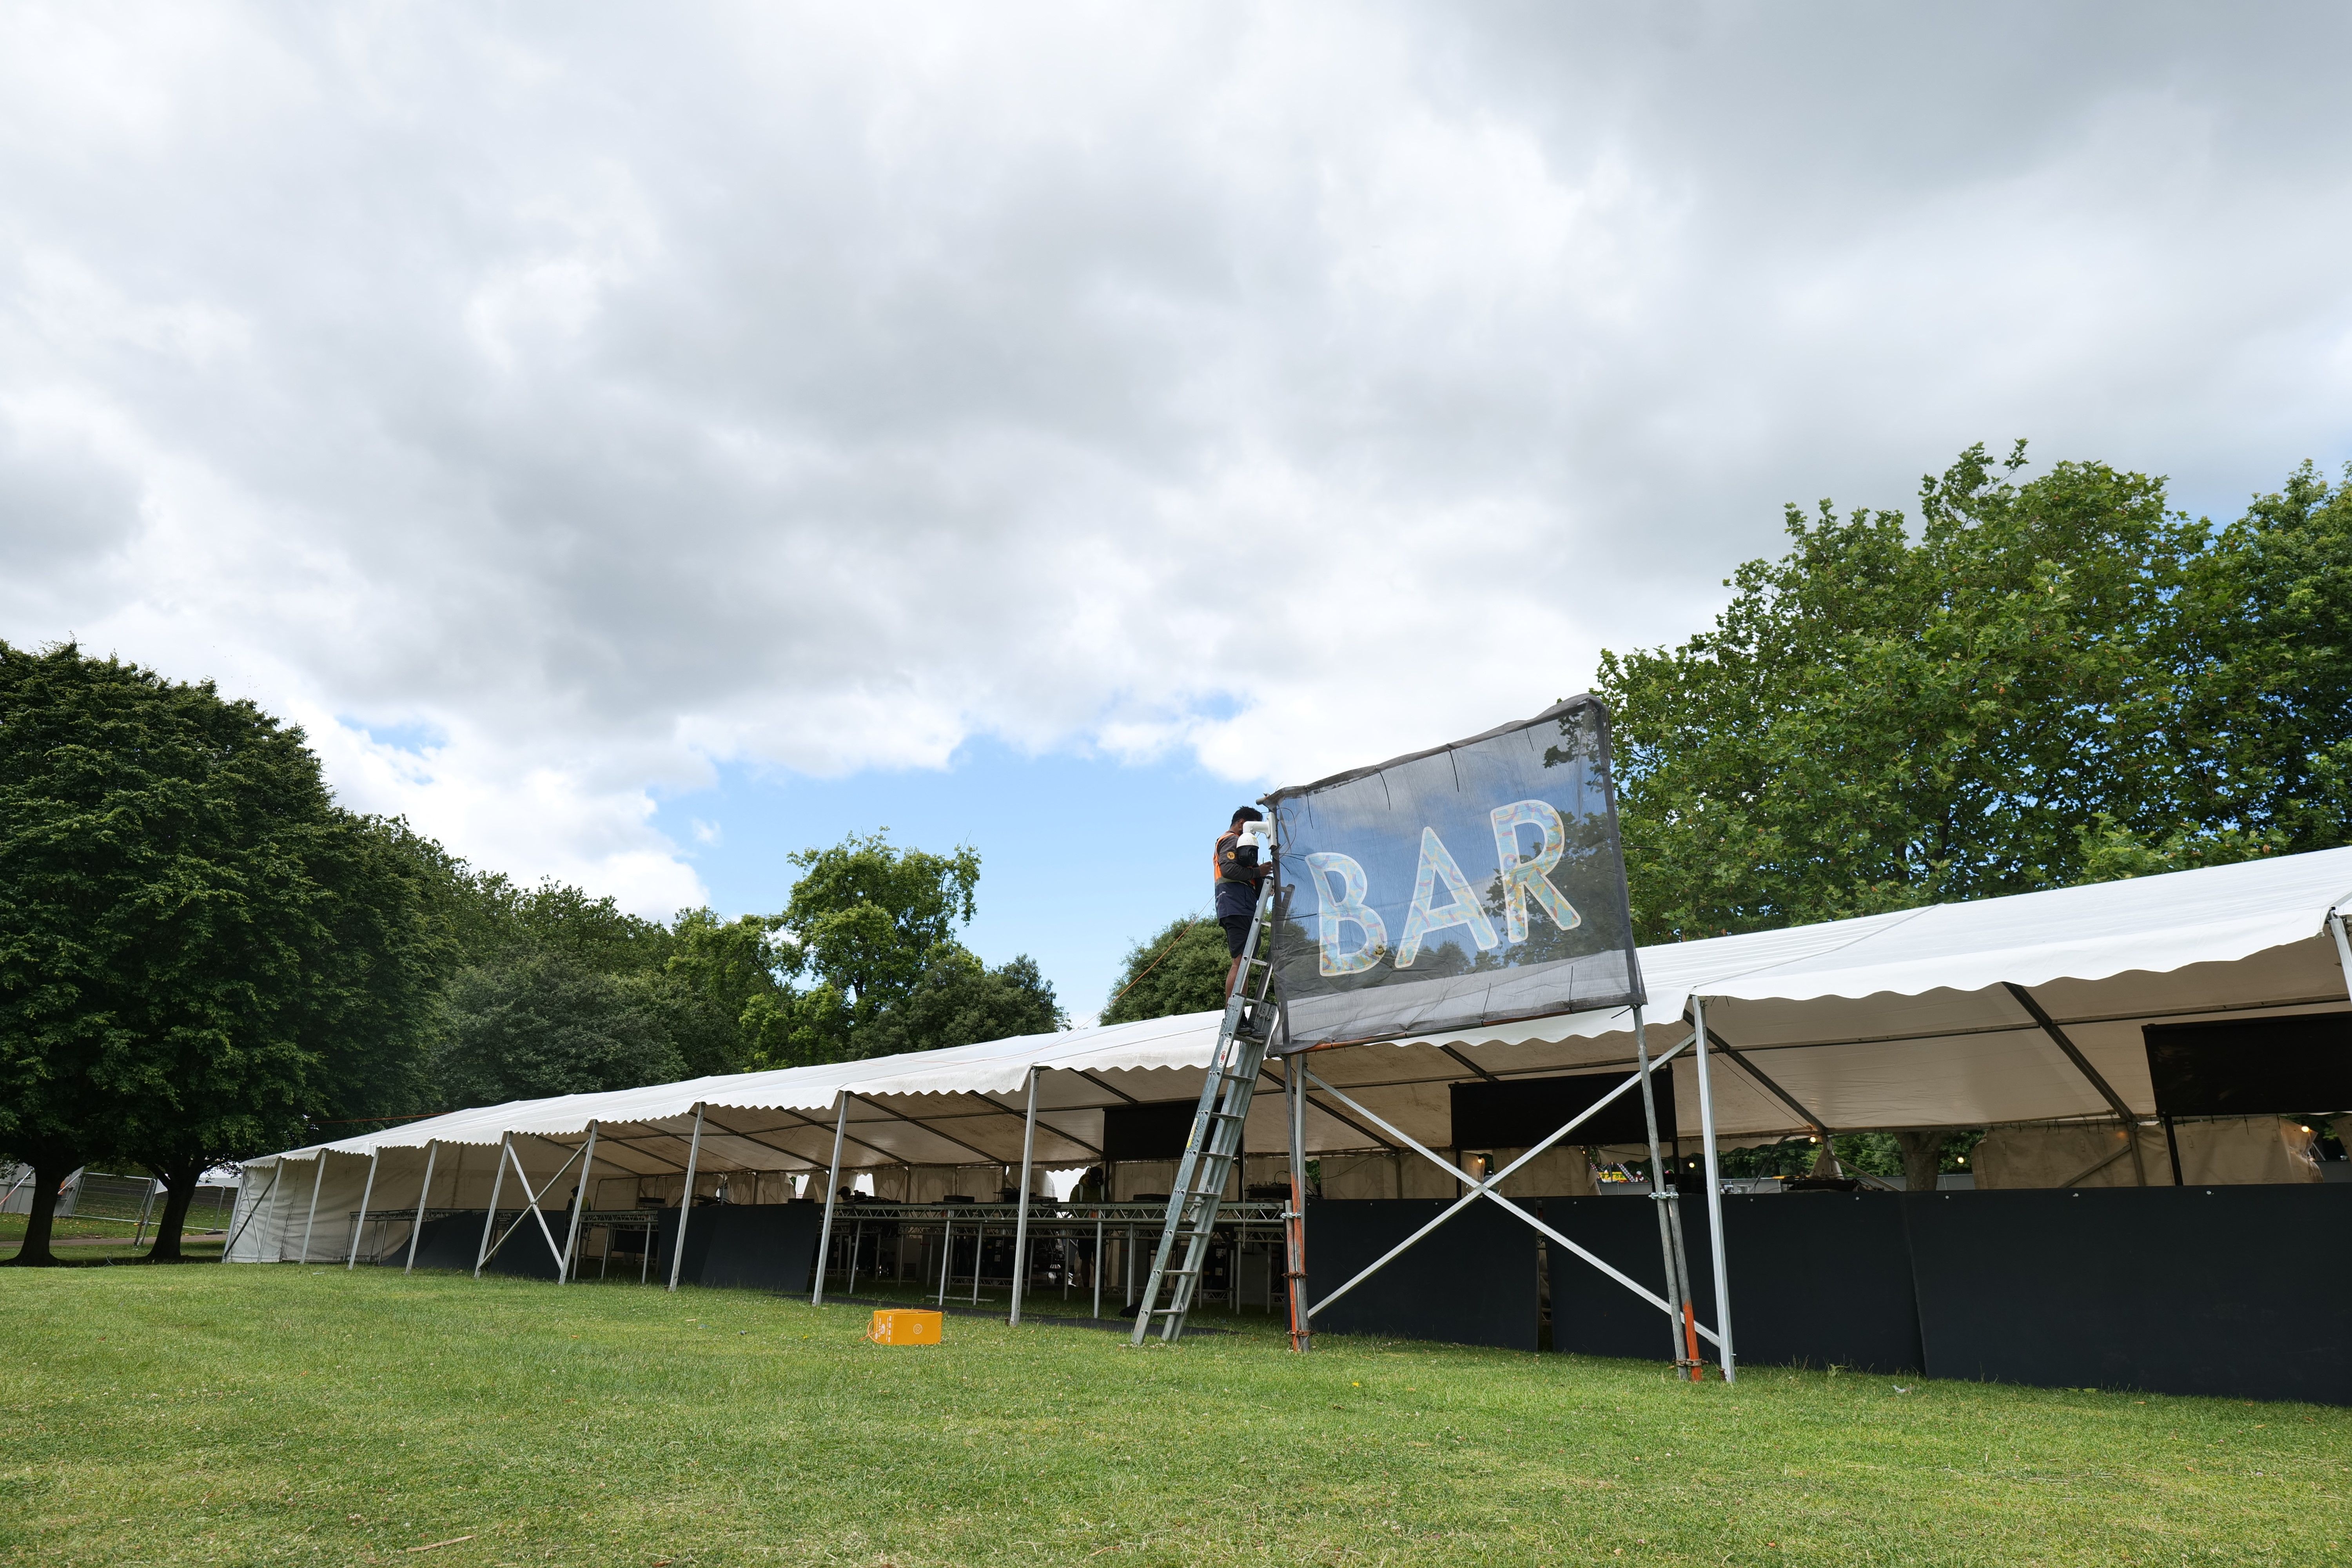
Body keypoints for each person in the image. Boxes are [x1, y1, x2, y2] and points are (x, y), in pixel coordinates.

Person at [1214, 806, 1271, 1001]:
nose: (1252, 836)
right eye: (1253, 830)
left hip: (1241, 905)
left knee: (1244, 963)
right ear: (1242, 824)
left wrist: (1261, 882)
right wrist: (1258, 872)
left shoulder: (1237, 843)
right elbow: (1229, 870)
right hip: (1235, 905)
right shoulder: (1231, 840)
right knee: (1240, 962)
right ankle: (1233, 1012)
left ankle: (1239, 1013)